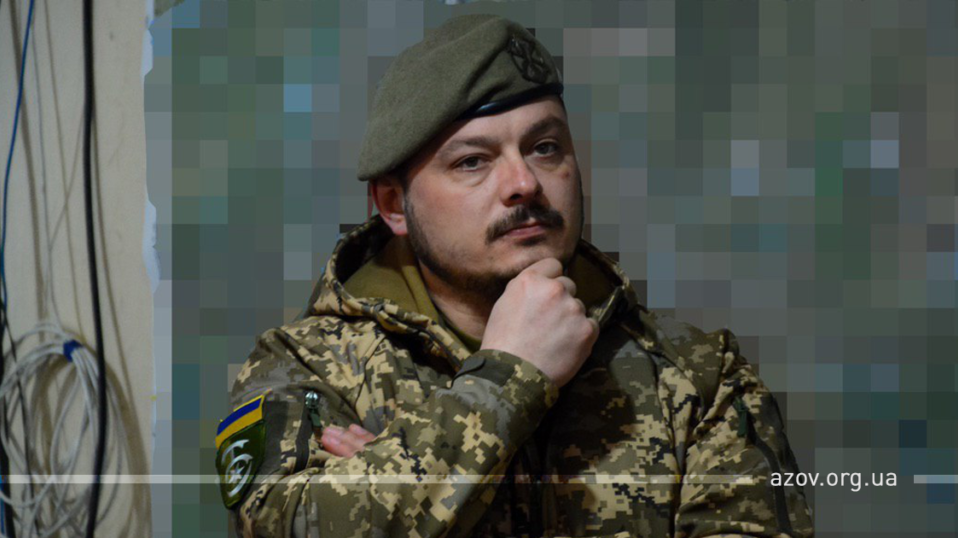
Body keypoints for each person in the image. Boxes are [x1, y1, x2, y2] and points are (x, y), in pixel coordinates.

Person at [215, 14, 814, 538]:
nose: (524, 182)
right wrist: (507, 378)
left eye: (545, 147)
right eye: (473, 161)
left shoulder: (699, 378)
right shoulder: (307, 370)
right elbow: (293, 523)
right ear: (394, 205)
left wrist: (412, 497)